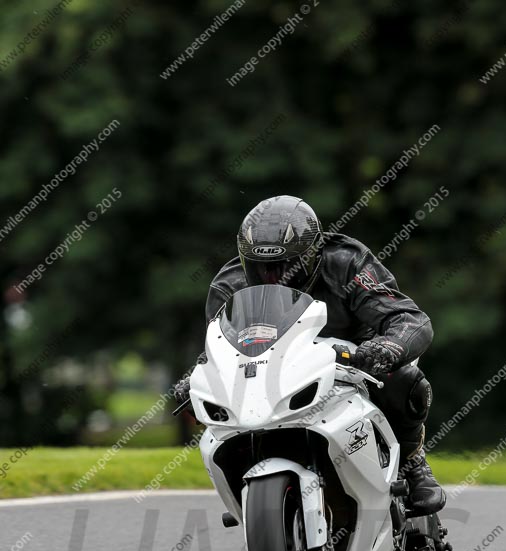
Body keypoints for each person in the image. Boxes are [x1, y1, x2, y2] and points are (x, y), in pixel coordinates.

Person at [174, 195, 446, 515]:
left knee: (406, 380)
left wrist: (389, 346)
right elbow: (219, 345)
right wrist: (197, 375)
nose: (273, 277)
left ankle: (412, 462)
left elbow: (408, 319)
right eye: (261, 267)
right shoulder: (229, 284)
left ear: (314, 253)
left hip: (354, 364)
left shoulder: (348, 263)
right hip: (274, 373)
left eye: (286, 266)